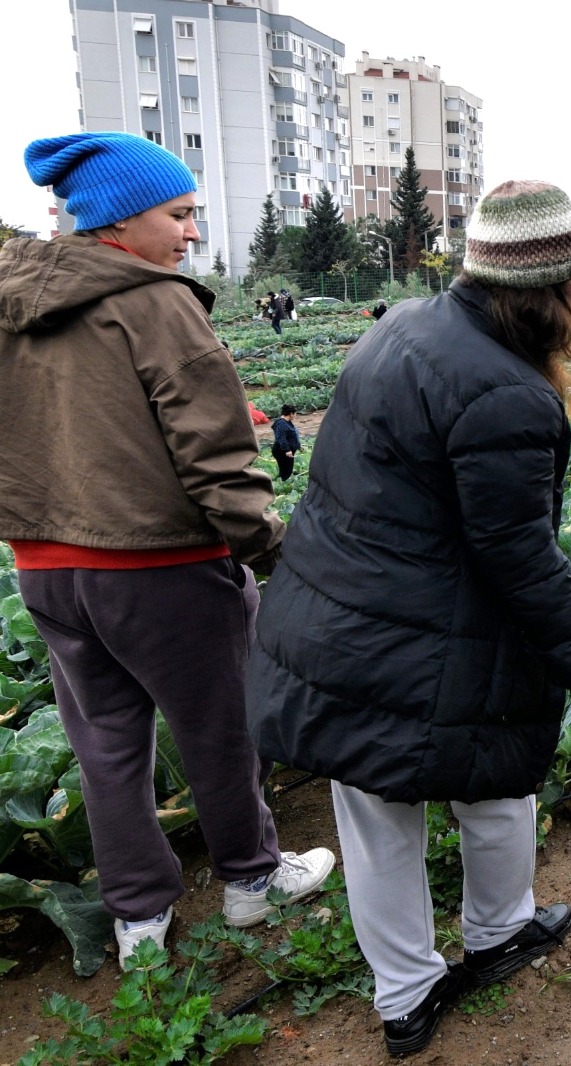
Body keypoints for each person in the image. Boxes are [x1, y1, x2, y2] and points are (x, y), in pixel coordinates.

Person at [246, 179, 571, 1058]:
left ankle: (407, 1000)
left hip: (339, 623)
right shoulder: (505, 390)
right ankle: (499, 936)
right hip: (427, 636)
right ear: (551, 289)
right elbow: (519, 555)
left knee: (375, 815)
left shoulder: (401, 329)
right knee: (496, 789)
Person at [0, 131, 335, 970]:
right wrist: (271, 552)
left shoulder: (9, 304)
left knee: (106, 745)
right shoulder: (155, 302)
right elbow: (216, 455)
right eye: (179, 215)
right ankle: (254, 882)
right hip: (158, 569)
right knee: (221, 729)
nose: (191, 235)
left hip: (43, 569)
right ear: (119, 220)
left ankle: (138, 921)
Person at [271, 404, 301, 481]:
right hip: (282, 451)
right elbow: (281, 438)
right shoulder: (281, 424)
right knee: (286, 471)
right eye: (295, 414)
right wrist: (287, 450)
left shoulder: (287, 422)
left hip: (286, 451)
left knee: (286, 470)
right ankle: (280, 484)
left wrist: (298, 446)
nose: (295, 415)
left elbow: (290, 436)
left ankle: (279, 482)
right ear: (291, 414)